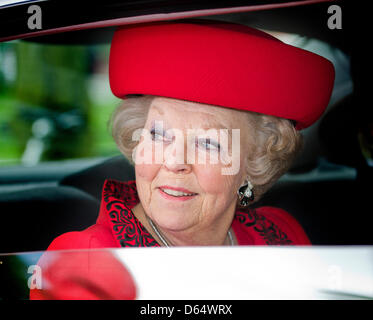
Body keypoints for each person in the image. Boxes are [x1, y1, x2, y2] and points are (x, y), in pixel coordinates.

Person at [30, 19, 335, 299]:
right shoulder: (83, 261)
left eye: (207, 143)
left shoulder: (281, 235)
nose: (175, 161)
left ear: (252, 165)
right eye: (159, 134)